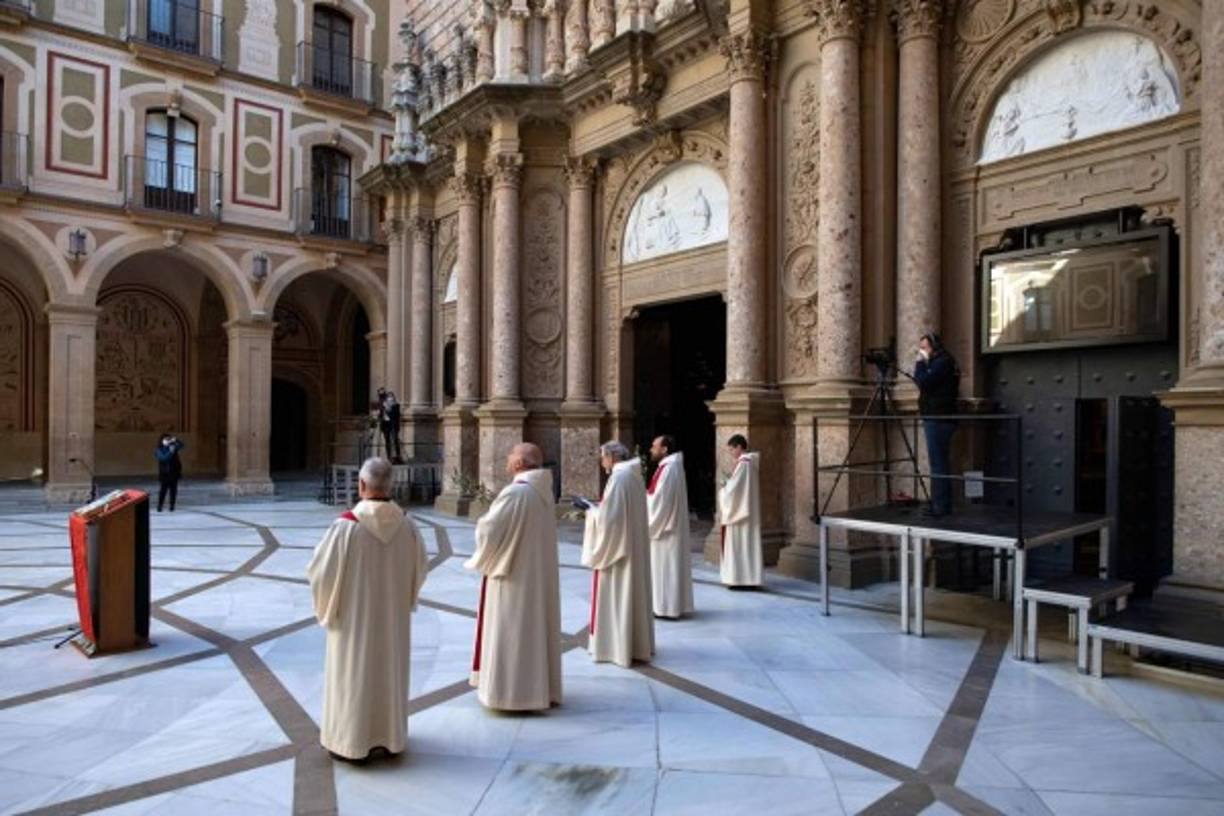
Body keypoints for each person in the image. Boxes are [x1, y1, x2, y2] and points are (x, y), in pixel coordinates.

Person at [307, 457, 428, 762]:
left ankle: (351, 741)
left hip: (353, 621)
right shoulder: (409, 526)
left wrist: (327, 604)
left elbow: (320, 573)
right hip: (392, 621)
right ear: (391, 485)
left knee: (353, 673)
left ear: (361, 486)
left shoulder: (345, 528)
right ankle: (389, 737)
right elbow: (421, 569)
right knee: (387, 670)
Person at [466, 443, 562, 711]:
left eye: (510, 455)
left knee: (513, 631)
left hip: (513, 577)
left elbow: (489, 530)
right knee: (531, 630)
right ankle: (535, 689)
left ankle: (511, 694)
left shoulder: (515, 493)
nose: (506, 459)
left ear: (520, 462)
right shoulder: (541, 492)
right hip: (533, 574)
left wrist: (482, 524)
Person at [582, 441, 654, 667]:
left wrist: (591, 512)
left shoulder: (619, 478)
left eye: (603, 457)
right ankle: (632, 643)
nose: (602, 461)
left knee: (618, 595)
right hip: (631, 546)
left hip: (619, 554)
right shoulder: (632, 476)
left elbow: (610, 520)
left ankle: (616, 646)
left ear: (612, 457)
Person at [646, 435, 694, 619]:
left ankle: (666, 607)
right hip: (668, 526)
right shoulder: (669, 467)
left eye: (654, 446)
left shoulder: (669, 469)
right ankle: (667, 605)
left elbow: (660, 501)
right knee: (666, 568)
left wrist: (642, 502)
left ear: (664, 449)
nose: (651, 449)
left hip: (665, 529)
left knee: (665, 568)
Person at [913, 332, 960, 518]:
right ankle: (940, 504)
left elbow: (923, 382)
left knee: (938, 464)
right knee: (939, 463)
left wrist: (919, 363)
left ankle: (940, 506)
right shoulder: (942, 361)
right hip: (938, 416)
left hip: (939, 417)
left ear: (935, 346)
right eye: (921, 348)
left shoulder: (943, 362)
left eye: (925, 347)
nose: (922, 352)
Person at [718, 434, 762, 588]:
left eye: (731, 449)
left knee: (739, 544)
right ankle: (747, 579)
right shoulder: (749, 463)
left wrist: (724, 489)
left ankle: (740, 580)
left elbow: (734, 490)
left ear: (739, 447)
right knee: (746, 545)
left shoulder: (744, 464)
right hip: (745, 510)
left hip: (740, 514)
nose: (731, 453)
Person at [154, 434, 185, 512]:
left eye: (168, 439)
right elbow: (163, 458)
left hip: (174, 474)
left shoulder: (173, 447)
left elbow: (182, 445)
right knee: (163, 491)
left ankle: (172, 506)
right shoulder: (159, 450)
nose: (167, 441)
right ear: (162, 441)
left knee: (173, 491)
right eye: (165, 439)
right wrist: (171, 452)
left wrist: (176, 440)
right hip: (164, 474)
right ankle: (160, 506)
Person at [377, 387, 402, 464]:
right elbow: (380, 414)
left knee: (395, 440)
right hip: (385, 425)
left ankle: (397, 457)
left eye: (391, 397)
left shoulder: (396, 405)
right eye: (388, 397)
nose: (390, 399)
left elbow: (396, 415)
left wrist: (388, 408)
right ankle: (389, 457)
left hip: (393, 425)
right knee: (387, 441)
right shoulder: (382, 404)